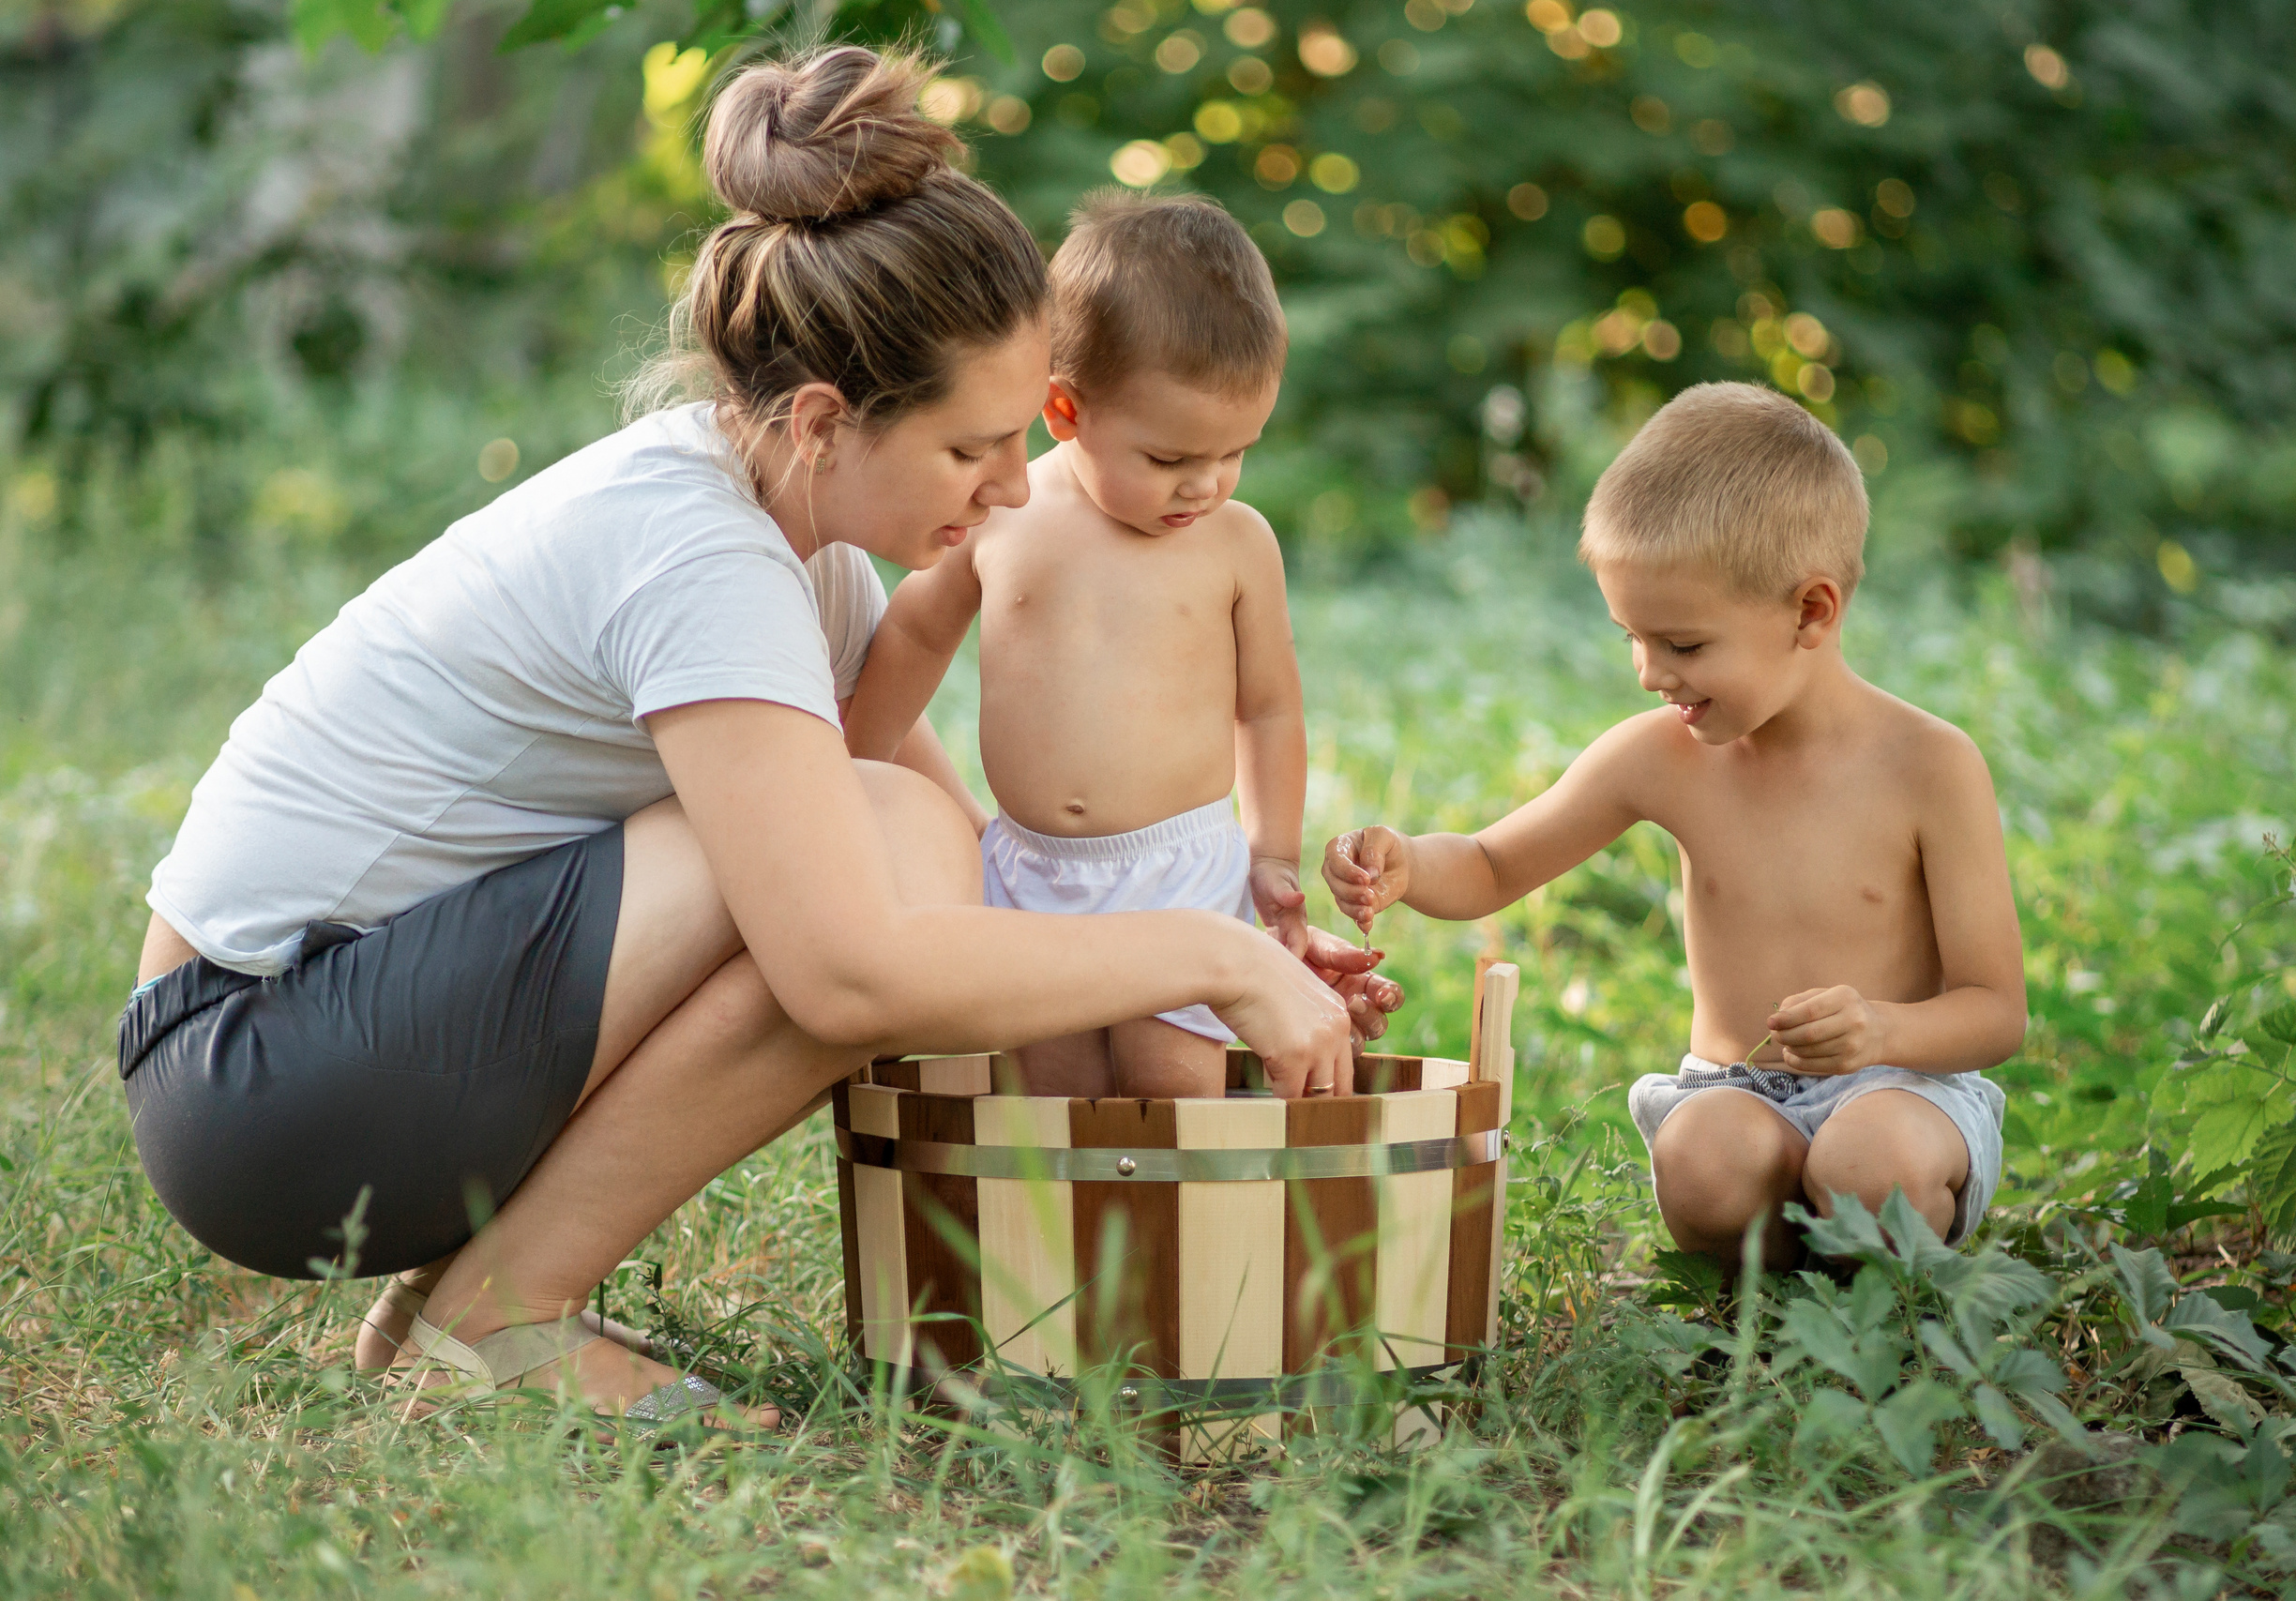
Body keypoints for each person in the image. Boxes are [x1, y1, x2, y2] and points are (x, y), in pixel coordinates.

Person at [118, 45, 1392, 1432]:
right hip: (259, 1080)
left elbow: (967, 884)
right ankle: (507, 1307)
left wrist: (1238, 940)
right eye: (973, 448)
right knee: (866, 867)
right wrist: (1201, 955)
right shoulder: (698, 557)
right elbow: (852, 971)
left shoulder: (803, 538)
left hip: (359, 1039)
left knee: (909, 845)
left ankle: (469, 1284)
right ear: (826, 418)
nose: (1018, 487)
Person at [1322, 383, 2024, 1270]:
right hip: (1737, 1091)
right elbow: (1496, 864)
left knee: (1869, 1166)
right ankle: (1771, 1303)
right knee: (1700, 1164)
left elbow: (1996, 1011)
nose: (1651, 674)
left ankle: (1881, 1313)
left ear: (1810, 611)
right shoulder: (1661, 756)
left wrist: (1879, 1031)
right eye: (1631, 636)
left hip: (1903, 1087)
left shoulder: (1930, 765)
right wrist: (1408, 863)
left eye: (1684, 646)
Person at [843, 190, 1369, 1098]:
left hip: (1180, 866)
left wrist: (1272, 851)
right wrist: (851, 765)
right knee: (1053, 1092)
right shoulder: (1006, 515)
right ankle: (1072, 1248)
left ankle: (1178, 1242)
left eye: (1234, 452)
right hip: (1029, 864)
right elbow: (916, 632)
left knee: (1170, 1089)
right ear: (1063, 410)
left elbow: (1270, 705)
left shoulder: (1236, 543)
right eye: (1168, 459)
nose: (1203, 484)